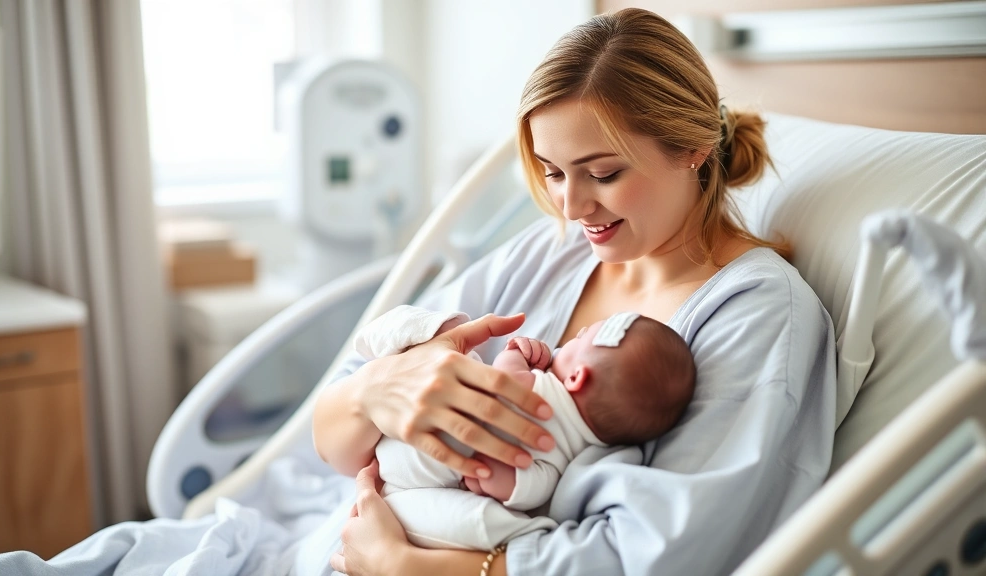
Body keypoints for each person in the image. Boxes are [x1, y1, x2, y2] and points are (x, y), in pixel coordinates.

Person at [314, 7, 836, 576]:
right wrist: (376, 390)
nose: (570, 207)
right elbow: (331, 443)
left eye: (604, 174)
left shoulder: (754, 313)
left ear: (693, 147)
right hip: (329, 536)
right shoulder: (552, 252)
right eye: (553, 172)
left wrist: (407, 567)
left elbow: (663, 551)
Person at [350, 305, 695, 551]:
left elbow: (501, 378)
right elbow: (535, 487)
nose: (571, 338)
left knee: (447, 338)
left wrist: (518, 353)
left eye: (580, 340)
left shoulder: (538, 390)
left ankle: (384, 339)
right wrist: (494, 478)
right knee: (487, 523)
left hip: (408, 446)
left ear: (576, 377)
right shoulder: (573, 453)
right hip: (416, 486)